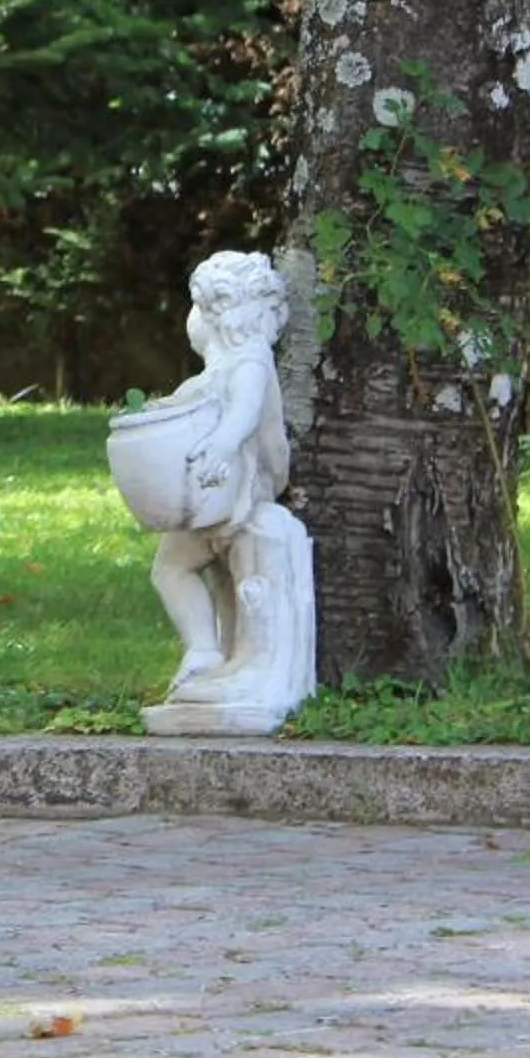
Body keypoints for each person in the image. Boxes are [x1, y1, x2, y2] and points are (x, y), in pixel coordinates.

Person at [143, 250, 315, 723]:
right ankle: (204, 649)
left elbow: (244, 411)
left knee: (240, 576)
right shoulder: (219, 368)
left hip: (242, 491)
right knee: (170, 568)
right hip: (210, 497)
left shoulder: (251, 361)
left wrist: (221, 443)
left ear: (218, 312)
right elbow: (192, 402)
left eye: (197, 307)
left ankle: (249, 663)